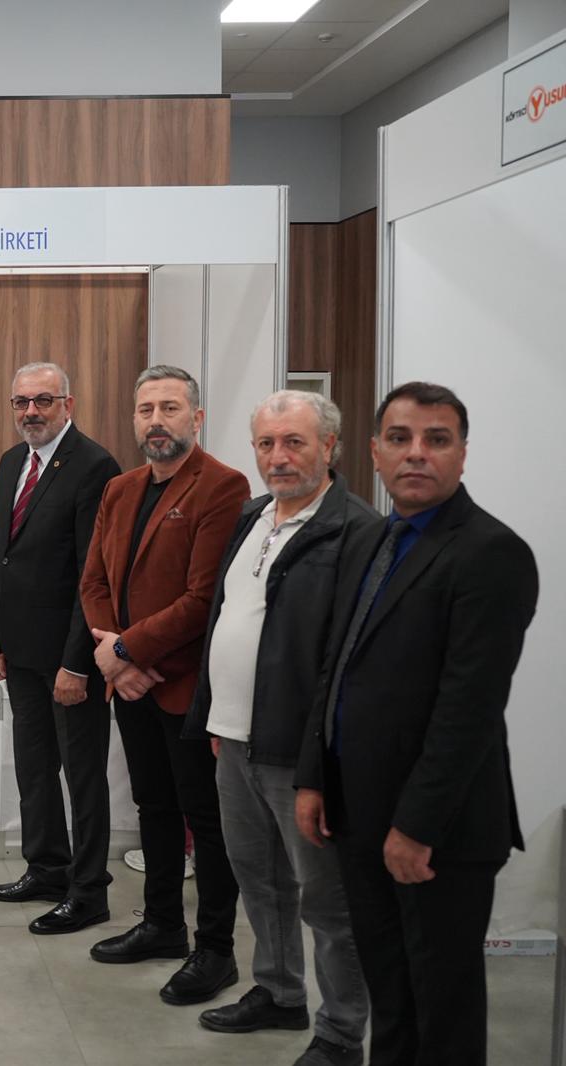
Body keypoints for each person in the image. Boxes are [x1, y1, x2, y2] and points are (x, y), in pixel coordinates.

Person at [296, 382, 537, 1066]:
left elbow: (469, 709)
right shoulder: (372, 539)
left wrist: (417, 827)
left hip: (438, 833)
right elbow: (336, 667)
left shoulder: (491, 553)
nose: (417, 454)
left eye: (437, 440)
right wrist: (314, 777)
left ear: (462, 454)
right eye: (400, 439)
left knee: (442, 1011)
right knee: (392, 995)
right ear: (375, 452)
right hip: (359, 815)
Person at [182, 391, 376, 1066]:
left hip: (300, 752)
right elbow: (225, 618)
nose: (278, 457)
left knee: (326, 902)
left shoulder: (354, 530)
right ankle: (279, 991)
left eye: (294, 442)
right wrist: (216, 714)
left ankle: (341, 1033)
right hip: (235, 738)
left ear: (330, 446)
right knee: (258, 878)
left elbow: (347, 658)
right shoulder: (253, 516)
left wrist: (321, 760)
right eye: (266, 443)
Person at [79, 364, 249, 1005]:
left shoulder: (223, 486)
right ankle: (162, 925)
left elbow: (203, 599)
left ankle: (216, 950)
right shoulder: (120, 489)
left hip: (184, 686)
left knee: (206, 820)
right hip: (131, 685)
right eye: (146, 409)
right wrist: (117, 658)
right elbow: (94, 581)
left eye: (170, 408)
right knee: (153, 806)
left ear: (196, 418)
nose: (157, 420)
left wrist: (125, 652)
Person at [0, 362, 122, 936]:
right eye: (21, 402)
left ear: (68, 403)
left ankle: (88, 892)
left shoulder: (95, 466)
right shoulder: (12, 462)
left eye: (43, 400)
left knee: (82, 776)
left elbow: (93, 575)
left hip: (68, 658)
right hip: (19, 652)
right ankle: (46, 869)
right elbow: (0, 553)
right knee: (34, 769)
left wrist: (75, 663)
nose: (31, 412)